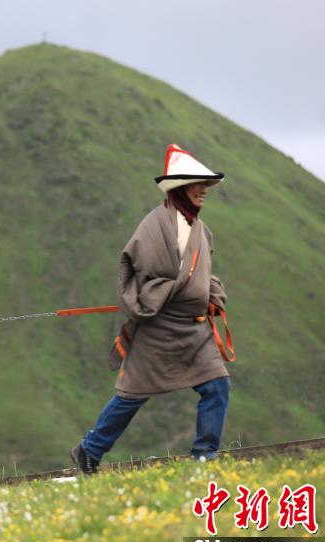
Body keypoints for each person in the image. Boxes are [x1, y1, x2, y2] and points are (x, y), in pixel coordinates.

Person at [71, 144, 233, 475]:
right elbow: (144, 272)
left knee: (217, 385)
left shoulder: (201, 229)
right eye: (197, 184)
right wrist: (180, 291)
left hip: (194, 329)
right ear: (180, 188)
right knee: (132, 395)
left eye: (205, 184)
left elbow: (200, 273)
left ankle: (205, 456)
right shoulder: (154, 226)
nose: (204, 190)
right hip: (159, 328)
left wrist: (208, 291)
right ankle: (89, 450)